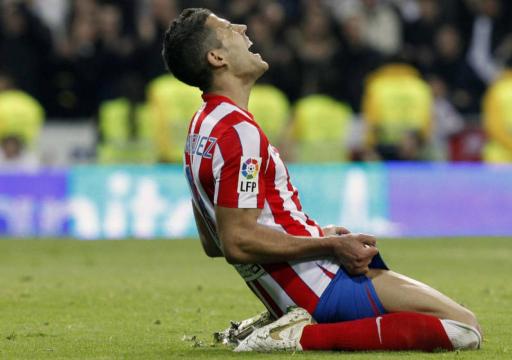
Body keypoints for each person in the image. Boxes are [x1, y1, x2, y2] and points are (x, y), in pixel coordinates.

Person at [162, 8, 481, 353]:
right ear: (216, 57)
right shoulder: (239, 133)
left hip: (294, 285)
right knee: (463, 327)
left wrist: (317, 234)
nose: (241, 27)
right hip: (321, 285)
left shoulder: (200, 127)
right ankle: (297, 336)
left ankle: (280, 319)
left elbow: (216, 242)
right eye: (228, 28)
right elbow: (237, 241)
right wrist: (329, 246)